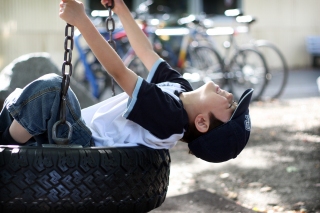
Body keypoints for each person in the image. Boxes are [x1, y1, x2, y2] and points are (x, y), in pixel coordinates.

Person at [0, 0, 253, 163]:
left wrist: (82, 21)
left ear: (201, 121)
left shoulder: (170, 118)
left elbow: (120, 72)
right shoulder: (180, 90)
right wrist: (121, 8)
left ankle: (8, 155)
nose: (231, 97)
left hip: (87, 148)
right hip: (79, 131)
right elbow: (146, 52)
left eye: (229, 108)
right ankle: (15, 139)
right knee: (25, 98)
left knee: (53, 89)